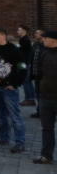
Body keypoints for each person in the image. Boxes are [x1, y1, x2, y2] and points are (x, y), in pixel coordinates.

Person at [0, 26, 26, 153]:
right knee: (0, 114)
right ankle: (4, 138)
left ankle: (20, 142)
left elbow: (22, 67)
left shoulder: (14, 50)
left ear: (3, 36)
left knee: (14, 115)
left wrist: (15, 84)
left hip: (9, 88)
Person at [31, 30, 57, 164]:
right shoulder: (43, 52)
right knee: (47, 128)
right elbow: (38, 71)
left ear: (53, 40)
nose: (43, 40)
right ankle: (46, 155)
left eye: (45, 38)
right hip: (46, 96)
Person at [17, 25, 36, 106]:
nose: (17, 31)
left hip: (24, 63)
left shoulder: (25, 40)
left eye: (19, 30)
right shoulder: (23, 39)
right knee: (25, 80)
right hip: (23, 63)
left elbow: (24, 53)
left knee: (26, 80)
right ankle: (30, 98)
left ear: (24, 31)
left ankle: (30, 99)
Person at [31, 29, 45, 118]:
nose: (35, 34)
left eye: (37, 33)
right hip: (36, 74)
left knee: (43, 94)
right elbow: (33, 59)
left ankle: (44, 112)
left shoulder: (46, 46)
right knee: (38, 93)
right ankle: (39, 111)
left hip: (44, 75)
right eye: (35, 32)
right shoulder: (35, 44)